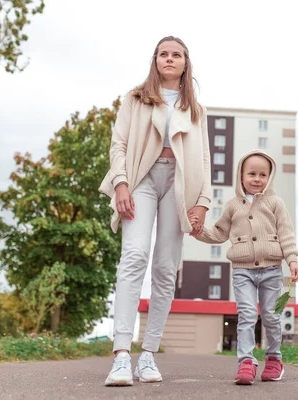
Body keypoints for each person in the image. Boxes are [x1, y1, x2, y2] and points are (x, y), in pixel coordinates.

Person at [99, 36, 211, 386]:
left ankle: (148, 355)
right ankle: (120, 356)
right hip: (141, 179)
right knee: (134, 256)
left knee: (165, 268)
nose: (169, 58)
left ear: (185, 62)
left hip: (178, 185)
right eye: (163, 53)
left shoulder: (195, 109)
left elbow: (204, 158)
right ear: (155, 60)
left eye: (176, 54)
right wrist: (120, 183)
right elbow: (119, 143)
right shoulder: (135, 99)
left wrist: (202, 203)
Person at [191, 149, 298, 385]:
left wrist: (292, 260)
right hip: (242, 271)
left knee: (271, 317)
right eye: (251, 173)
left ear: (269, 178)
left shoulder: (276, 203)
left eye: (263, 174)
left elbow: (286, 234)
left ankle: (274, 359)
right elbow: (219, 232)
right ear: (241, 176)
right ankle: (246, 362)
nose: (257, 179)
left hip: (272, 270)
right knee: (247, 315)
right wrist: (199, 231)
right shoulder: (233, 206)